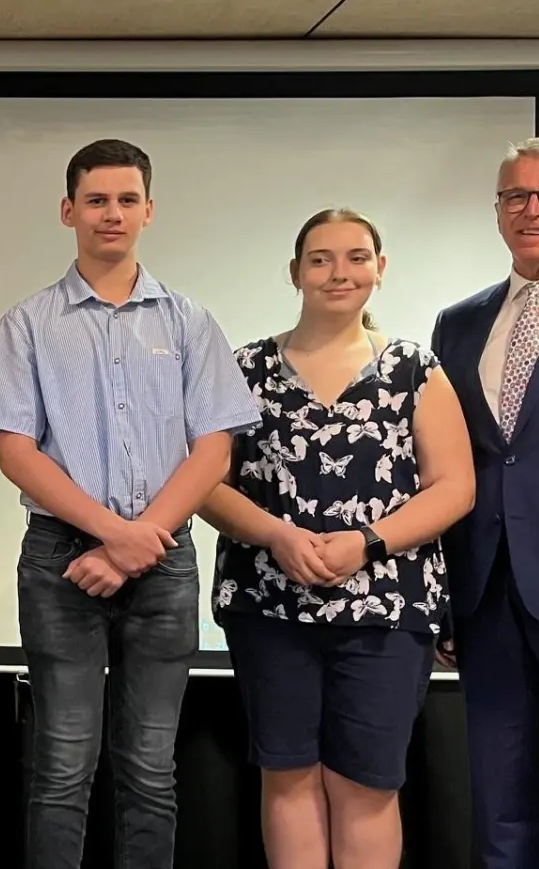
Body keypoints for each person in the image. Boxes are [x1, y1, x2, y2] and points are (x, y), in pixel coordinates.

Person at [0, 138, 261, 869]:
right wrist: (113, 536)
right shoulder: (28, 324)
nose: (112, 213)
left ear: (149, 211)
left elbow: (214, 449)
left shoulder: (189, 322)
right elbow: (17, 452)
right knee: (63, 768)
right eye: (97, 200)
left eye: (127, 200)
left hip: (164, 565)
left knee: (149, 769)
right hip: (59, 564)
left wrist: (142, 540)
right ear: (69, 210)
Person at [200, 208, 474, 869]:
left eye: (356, 257)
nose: (338, 272)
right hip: (270, 605)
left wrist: (368, 543)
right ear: (295, 273)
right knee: (287, 775)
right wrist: (276, 536)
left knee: (368, 783)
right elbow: (205, 484)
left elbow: (454, 486)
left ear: (380, 270)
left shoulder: (414, 369)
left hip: (385, 611)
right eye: (320, 259)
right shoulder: (245, 369)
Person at [430, 132, 539, 869]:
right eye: (516, 196)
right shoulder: (458, 322)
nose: (532, 210)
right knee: (500, 803)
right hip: (486, 590)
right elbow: (446, 462)